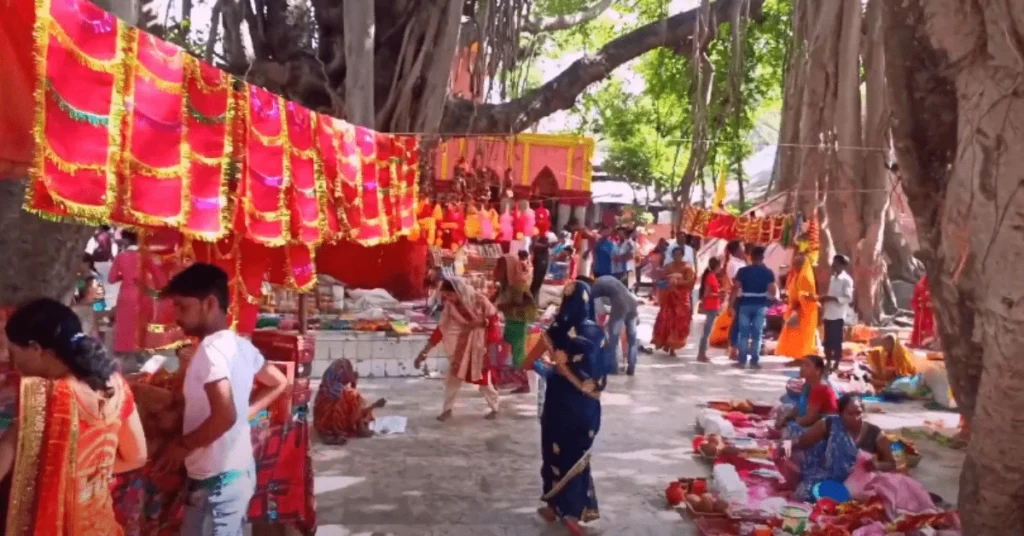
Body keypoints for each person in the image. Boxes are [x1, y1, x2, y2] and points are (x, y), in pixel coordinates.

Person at [159, 263, 290, 536]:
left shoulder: (211, 350)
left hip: (217, 482)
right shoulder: (239, 344)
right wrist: (245, 412)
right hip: (232, 474)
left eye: (182, 307)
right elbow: (278, 382)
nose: (177, 317)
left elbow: (225, 416)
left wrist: (183, 445)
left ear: (209, 304)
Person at [0, 298, 147, 535]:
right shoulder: (115, 385)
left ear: (36, 349)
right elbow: (136, 457)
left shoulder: (48, 397)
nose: (11, 360)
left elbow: (5, 456)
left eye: (14, 351)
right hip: (100, 526)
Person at [531, 281, 606, 536]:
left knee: (553, 450)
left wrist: (545, 367)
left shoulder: (556, 329)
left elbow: (530, 360)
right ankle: (572, 513)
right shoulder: (596, 333)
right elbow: (600, 375)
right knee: (575, 455)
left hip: (557, 401)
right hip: (582, 405)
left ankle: (553, 506)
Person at [415, 279, 502, 421]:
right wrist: (424, 352)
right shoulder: (450, 307)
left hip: (480, 347)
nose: (448, 299)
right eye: (445, 296)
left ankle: (495, 407)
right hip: (461, 347)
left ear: (459, 291)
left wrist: (489, 343)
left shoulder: (480, 300)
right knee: (452, 379)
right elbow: (441, 329)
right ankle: (447, 410)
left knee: (484, 381)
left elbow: (493, 321)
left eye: (450, 295)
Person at [789, 395, 895, 501]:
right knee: (804, 495)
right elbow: (802, 442)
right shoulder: (829, 424)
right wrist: (788, 444)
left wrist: (877, 465)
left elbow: (891, 464)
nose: (855, 418)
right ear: (840, 414)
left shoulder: (875, 434)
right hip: (827, 478)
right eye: (850, 413)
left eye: (859, 413)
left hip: (859, 485)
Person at [314, 358, 387, 444]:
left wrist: (373, 406)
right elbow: (354, 409)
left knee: (352, 399)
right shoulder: (338, 393)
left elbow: (354, 410)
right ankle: (346, 432)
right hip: (328, 426)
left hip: (330, 421)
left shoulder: (334, 386)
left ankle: (355, 428)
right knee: (352, 397)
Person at [732, 246, 777, 369]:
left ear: (751, 258)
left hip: (745, 304)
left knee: (744, 334)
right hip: (761, 306)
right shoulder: (768, 272)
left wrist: (731, 305)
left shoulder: (742, 271)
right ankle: (754, 361)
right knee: (757, 335)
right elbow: (772, 291)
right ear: (762, 258)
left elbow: (736, 288)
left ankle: (741, 361)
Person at [494, 253, 538, 372]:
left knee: (517, 348)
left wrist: (505, 306)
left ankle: (521, 375)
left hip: (518, 320)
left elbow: (525, 302)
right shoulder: (508, 284)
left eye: (501, 267)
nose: (497, 270)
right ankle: (514, 373)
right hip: (511, 319)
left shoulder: (518, 285)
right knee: (510, 346)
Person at [775, 356, 838, 439]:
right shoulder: (807, 385)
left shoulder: (820, 388)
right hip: (810, 419)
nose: (802, 368)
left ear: (817, 371)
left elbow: (809, 419)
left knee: (791, 428)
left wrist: (789, 422)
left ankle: (788, 448)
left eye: (807, 365)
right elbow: (798, 406)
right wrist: (785, 418)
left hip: (825, 428)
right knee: (784, 409)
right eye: (802, 365)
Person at [589, 275, 640, 375]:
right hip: (633, 302)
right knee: (632, 338)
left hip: (620, 304)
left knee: (614, 338)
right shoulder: (609, 279)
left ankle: (613, 368)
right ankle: (632, 367)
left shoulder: (595, 286)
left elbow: (591, 303)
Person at [651, 247, 696, 357]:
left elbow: (690, 283)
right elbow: (661, 279)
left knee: (679, 321)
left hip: (681, 298)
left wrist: (677, 282)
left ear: (682, 255)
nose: (677, 257)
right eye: (675, 255)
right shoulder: (668, 267)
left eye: (679, 254)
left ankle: (673, 345)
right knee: (666, 319)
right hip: (669, 296)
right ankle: (666, 342)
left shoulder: (687, 267)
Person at [776, 254, 820, 361]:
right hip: (795, 310)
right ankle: (796, 358)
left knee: (802, 337)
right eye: (794, 264)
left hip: (805, 312)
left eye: (798, 264)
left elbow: (808, 296)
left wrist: (798, 305)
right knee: (792, 335)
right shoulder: (796, 276)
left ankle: (802, 359)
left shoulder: (806, 277)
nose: (795, 266)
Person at [108, 230, 143, 355]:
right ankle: (138, 350)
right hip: (142, 295)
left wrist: (122, 277)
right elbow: (157, 278)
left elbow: (111, 279)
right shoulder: (144, 257)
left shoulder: (121, 256)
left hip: (125, 293)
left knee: (124, 323)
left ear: (127, 240)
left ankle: (122, 350)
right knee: (138, 323)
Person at [709, 241, 747, 352]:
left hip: (743, 295)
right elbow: (736, 281)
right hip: (739, 295)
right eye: (742, 246)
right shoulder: (733, 264)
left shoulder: (742, 262)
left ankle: (736, 345)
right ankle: (733, 346)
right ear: (737, 250)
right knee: (737, 322)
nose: (744, 247)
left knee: (740, 322)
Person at [821, 255, 854, 370]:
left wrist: (833, 298)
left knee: (836, 340)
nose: (833, 265)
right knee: (827, 341)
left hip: (838, 315)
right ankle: (828, 361)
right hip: (828, 314)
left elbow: (848, 298)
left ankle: (836, 363)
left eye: (836, 263)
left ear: (842, 265)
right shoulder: (833, 278)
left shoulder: (847, 280)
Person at [695, 257, 724, 362]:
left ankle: (702, 352)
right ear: (716, 266)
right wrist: (719, 294)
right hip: (711, 306)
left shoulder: (711, 276)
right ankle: (701, 353)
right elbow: (707, 294)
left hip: (713, 305)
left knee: (707, 330)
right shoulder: (711, 277)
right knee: (707, 330)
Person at [910, 275, 935, 348]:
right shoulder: (919, 285)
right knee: (919, 326)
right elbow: (913, 300)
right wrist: (919, 305)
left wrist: (932, 304)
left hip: (932, 314)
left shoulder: (938, 286)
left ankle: (929, 344)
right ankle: (918, 342)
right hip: (921, 312)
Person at [530, 234, 551, 301]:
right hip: (538, 265)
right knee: (535, 282)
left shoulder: (543, 248)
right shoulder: (538, 246)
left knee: (537, 282)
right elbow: (535, 245)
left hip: (541, 264)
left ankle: (532, 298)